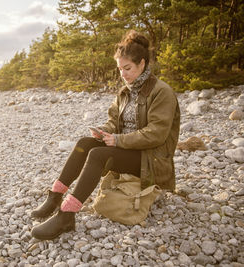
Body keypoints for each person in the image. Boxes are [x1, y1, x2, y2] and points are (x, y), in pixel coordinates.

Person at [30, 30, 181, 240]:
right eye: (120, 69)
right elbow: (114, 121)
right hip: (128, 149)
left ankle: (67, 215)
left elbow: (157, 134)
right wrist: (105, 132)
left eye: (127, 68)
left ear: (143, 64)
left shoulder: (161, 92)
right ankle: (55, 196)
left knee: (98, 155)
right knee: (85, 143)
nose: (123, 74)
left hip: (151, 159)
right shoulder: (125, 91)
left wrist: (118, 140)